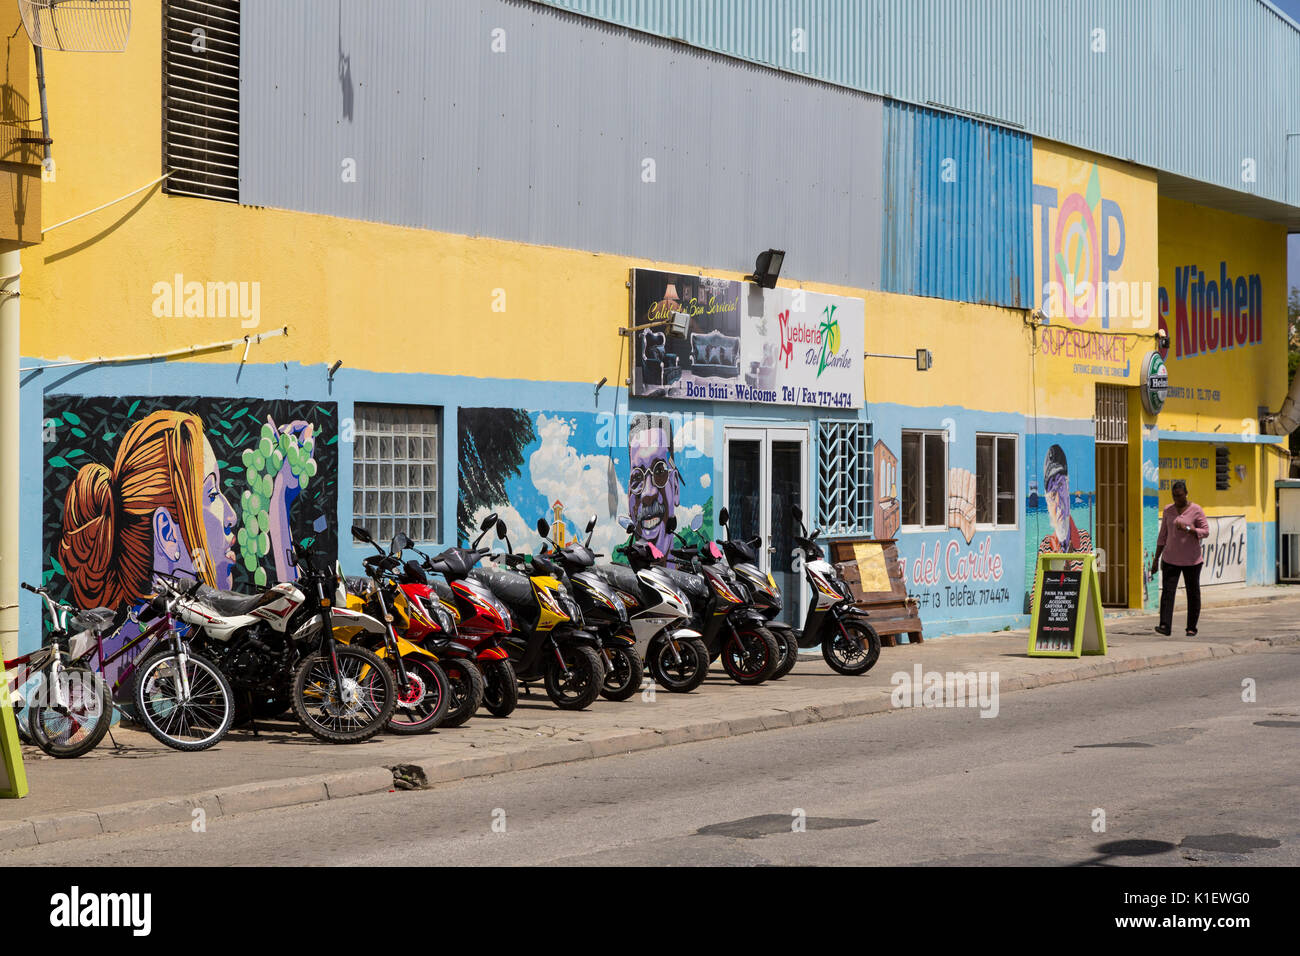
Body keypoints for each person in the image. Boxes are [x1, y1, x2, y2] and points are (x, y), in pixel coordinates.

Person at [1150, 480, 1209, 636]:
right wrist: (1156, 559)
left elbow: (1205, 531)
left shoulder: (1196, 510)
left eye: (1180, 496)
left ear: (1186, 494)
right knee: (1168, 593)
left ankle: (1191, 627)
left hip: (1192, 561)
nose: (1177, 499)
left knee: (1193, 593)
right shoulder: (1168, 510)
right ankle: (1165, 626)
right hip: (1170, 559)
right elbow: (1163, 536)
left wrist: (1189, 529)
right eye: (1174, 496)